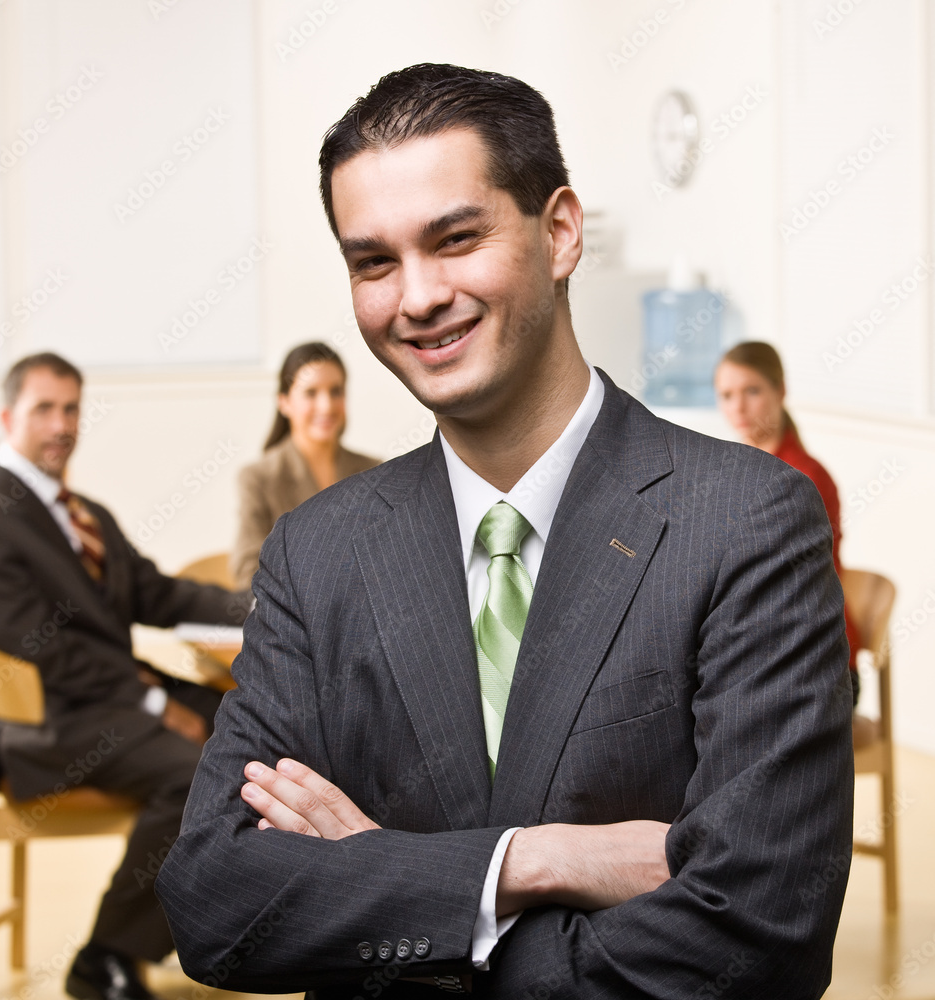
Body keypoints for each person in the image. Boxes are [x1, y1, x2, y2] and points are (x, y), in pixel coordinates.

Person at [156, 64, 853, 999]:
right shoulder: (315, 553)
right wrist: (527, 863)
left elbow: (761, 937)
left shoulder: (746, 520)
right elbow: (213, 901)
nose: (417, 296)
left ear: (560, 232)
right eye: (374, 262)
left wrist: (390, 887)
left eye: (456, 239)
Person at [0, 352, 250, 1000]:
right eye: (44, 409)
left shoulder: (85, 516)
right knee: (198, 774)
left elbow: (159, 597)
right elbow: (47, 652)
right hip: (51, 725)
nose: (61, 424)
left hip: (112, 703)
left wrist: (261, 604)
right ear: (7, 417)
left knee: (251, 732)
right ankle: (103, 956)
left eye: (71, 408)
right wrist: (151, 701)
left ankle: (203, 922)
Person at [714, 341, 863, 705]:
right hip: (760, 650)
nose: (738, 407)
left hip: (819, 661)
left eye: (752, 391)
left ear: (780, 390)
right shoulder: (727, 472)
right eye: (727, 395)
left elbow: (791, 590)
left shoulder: (806, 478)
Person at [231, 341, 379, 586]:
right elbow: (248, 572)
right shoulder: (259, 478)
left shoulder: (373, 470)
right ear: (284, 402)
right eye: (311, 393)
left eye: (336, 391)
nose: (326, 406)